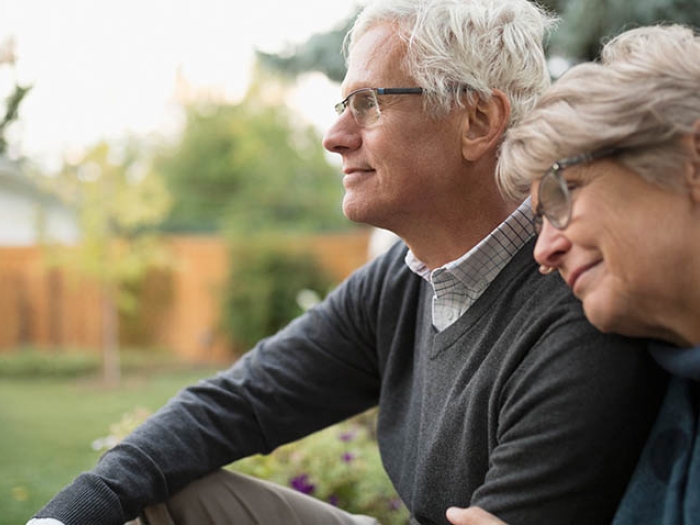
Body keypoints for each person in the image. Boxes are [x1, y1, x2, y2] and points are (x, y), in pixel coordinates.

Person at [28, 2, 668, 525]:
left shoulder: (578, 308)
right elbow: (240, 402)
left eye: (368, 104)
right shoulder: (405, 277)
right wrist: (65, 517)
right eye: (343, 107)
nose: (335, 137)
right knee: (158, 497)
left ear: (477, 119)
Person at [448, 23, 700, 525]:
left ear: (691, 161)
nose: (543, 252)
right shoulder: (668, 386)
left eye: (564, 192)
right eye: (537, 222)